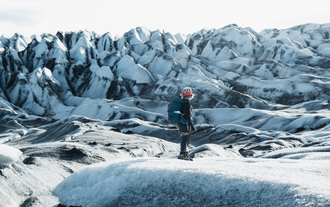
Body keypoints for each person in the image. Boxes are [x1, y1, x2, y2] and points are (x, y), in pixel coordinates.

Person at [177, 87, 196, 161]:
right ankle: (182, 154)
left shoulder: (180, 101)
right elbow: (188, 115)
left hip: (180, 122)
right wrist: (192, 126)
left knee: (184, 138)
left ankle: (184, 154)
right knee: (185, 138)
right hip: (185, 123)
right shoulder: (187, 102)